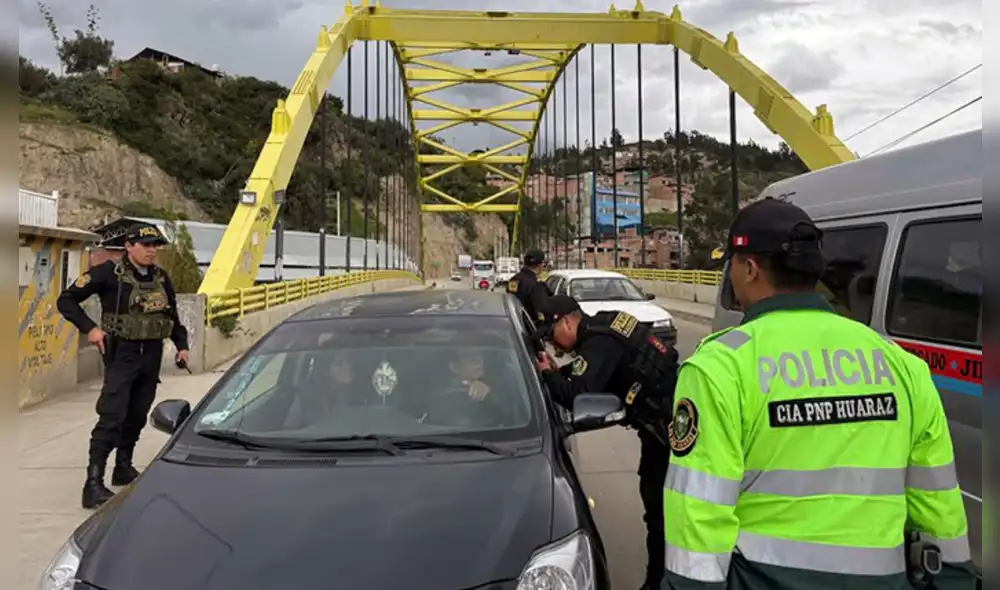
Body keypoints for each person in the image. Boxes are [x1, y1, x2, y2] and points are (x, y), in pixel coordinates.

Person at [662, 197, 975, 589]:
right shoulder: (900, 363)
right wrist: (955, 579)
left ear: (749, 268)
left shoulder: (720, 367)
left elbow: (699, 513)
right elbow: (938, 497)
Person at [535, 295, 679, 590]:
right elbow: (585, 373)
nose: (553, 344)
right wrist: (556, 372)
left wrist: (548, 376)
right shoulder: (602, 327)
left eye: (551, 336)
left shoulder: (598, 343)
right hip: (665, 421)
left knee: (660, 514)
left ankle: (659, 584)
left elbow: (578, 392)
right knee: (662, 512)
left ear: (566, 321)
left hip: (666, 432)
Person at [57, 222, 189, 509]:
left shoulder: (161, 278)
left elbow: (172, 315)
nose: (152, 251)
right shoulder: (108, 274)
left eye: (155, 246)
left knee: (137, 414)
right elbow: (66, 300)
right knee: (112, 416)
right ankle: (93, 483)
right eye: (146, 245)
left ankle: (123, 467)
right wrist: (90, 329)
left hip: (152, 354)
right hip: (122, 354)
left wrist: (182, 346)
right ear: (128, 246)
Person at [507, 249, 552, 324]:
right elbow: (542, 309)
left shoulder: (514, 280)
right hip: (530, 325)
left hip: (513, 323)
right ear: (539, 265)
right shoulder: (536, 285)